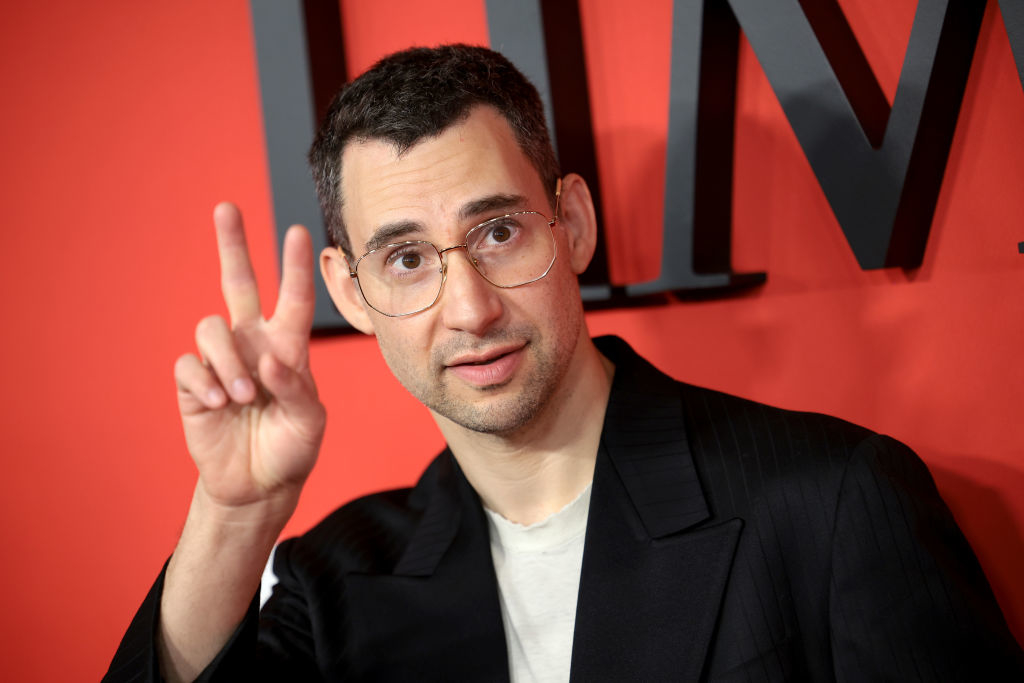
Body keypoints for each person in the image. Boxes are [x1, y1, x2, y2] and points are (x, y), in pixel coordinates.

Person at [105, 44, 1023, 682]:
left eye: (497, 231)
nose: (469, 308)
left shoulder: (833, 499)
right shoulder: (335, 577)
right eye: (408, 258)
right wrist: (236, 512)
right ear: (351, 294)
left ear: (571, 222)